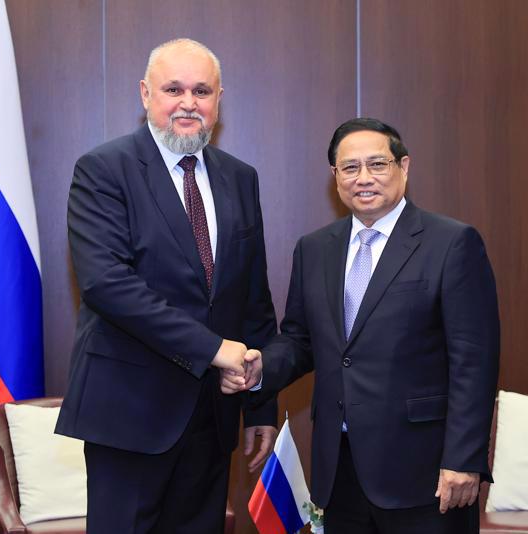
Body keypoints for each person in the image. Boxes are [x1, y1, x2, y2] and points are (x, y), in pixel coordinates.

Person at [225, 118, 500, 533]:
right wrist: (260, 367)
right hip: (340, 471)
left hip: (425, 472)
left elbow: (474, 362)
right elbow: (300, 340)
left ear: (403, 167)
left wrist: (463, 459)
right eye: (350, 168)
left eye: (378, 164)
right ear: (335, 177)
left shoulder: (451, 243)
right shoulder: (315, 249)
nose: (364, 178)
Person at [55, 38, 278, 534]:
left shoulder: (240, 178)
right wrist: (214, 349)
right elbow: (107, 284)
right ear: (145, 94)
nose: (187, 103)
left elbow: (252, 297)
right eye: (172, 89)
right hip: (130, 412)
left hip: (213, 416)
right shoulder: (104, 169)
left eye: (202, 91)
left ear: (219, 100)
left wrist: (260, 401)